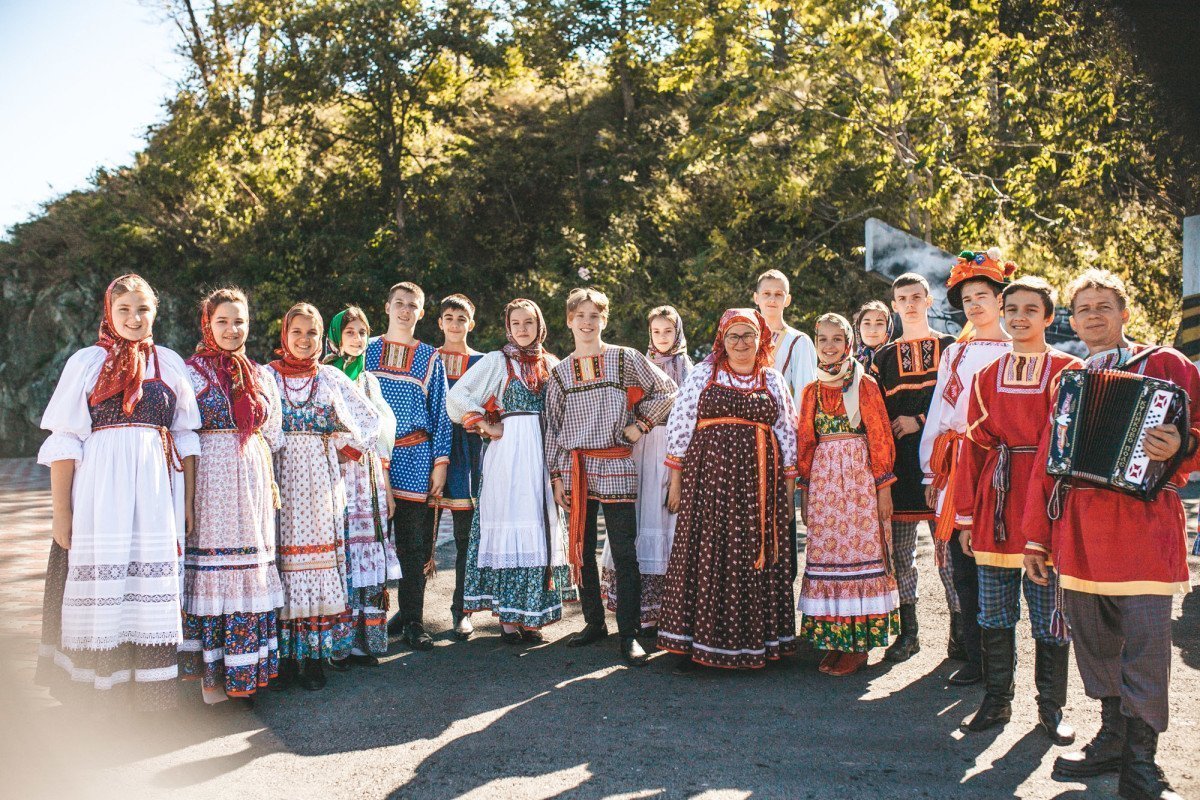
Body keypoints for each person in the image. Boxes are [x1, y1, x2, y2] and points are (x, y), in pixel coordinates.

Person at [1025, 269, 1200, 800]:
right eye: (1084, 309)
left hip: (1144, 525)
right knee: (1094, 638)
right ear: (1072, 321)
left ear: (1125, 312)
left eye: (1104, 306)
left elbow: (1198, 432)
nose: (1094, 316)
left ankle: (1141, 765)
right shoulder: (1067, 378)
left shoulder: (1169, 364)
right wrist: (1036, 537)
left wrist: (1181, 445)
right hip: (1079, 524)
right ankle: (1111, 739)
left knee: (1146, 643)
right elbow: (1046, 461)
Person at [36, 274, 201, 710]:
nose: (133, 318)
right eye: (124, 309)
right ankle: (99, 698)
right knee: (104, 586)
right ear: (108, 312)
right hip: (100, 495)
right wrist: (61, 513)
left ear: (156, 312)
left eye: (142, 309)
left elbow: (185, 436)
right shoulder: (87, 362)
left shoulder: (168, 362)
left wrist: (186, 502)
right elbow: (66, 440)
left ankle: (149, 696)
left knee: (147, 588)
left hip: (155, 493)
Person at [953, 277, 1081, 743]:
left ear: (1049, 317)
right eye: (1012, 309)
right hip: (998, 502)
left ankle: (1051, 708)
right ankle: (996, 700)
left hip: (1047, 502)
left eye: (1032, 309)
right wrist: (965, 515)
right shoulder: (986, 376)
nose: (1019, 317)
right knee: (993, 611)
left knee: (1050, 612)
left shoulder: (1069, 370)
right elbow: (974, 448)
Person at [657, 308, 798, 670]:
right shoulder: (704, 374)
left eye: (748, 335)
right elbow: (681, 425)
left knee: (752, 553)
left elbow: (787, 432)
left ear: (760, 340)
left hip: (760, 487)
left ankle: (755, 642)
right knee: (710, 551)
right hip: (709, 483)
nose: (741, 343)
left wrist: (788, 491)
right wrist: (675, 483)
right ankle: (700, 639)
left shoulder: (772, 379)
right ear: (722, 340)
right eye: (733, 336)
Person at [543, 287, 678, 666]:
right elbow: (552, 430)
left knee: (624, 551)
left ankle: (630, 634)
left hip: (616, 461)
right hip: (577, 467)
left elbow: (668, 391)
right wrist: (556, 476)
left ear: (605, 319)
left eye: (595, 316)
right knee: (581, 551)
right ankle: (593, 623)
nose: (588, 323)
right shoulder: (559, 373)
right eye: (580, 316)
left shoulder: (624, 358)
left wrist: (642, 424)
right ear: (569, 321)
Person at [446, 299, 573, 640]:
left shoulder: (552, 364)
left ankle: (532, 615)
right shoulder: (496, 362)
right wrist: (486, 426)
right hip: (507, 457)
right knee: (509, 525)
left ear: (539, 326)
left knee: (538, 526)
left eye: (528, 322)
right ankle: (507, 619)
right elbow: (457, 398)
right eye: (515, 322)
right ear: (507, 327)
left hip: (542, 452)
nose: (522, 329)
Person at [181, 287, 284, 704]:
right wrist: (186, 498)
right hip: (211, 480)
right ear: (208, 323)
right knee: (215, 574)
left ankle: (243, 676)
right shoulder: (189, 372)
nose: (231, 328)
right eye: (222, 321)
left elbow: (271, 432)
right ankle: (213, 680)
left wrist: (269, 479)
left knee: (249, 572)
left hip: (253, 479)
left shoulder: (259, 375)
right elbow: (182, 434)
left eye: (239, 320)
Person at [269, 303, 378, 691]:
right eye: (297, 331)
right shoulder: (268, 376)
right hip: (280, 479)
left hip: (319, 479)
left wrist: (344, 445)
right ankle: (285, 657)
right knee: (282, 566)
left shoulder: (330, 377)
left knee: (316, 567)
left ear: (321, 338)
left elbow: (369, 420)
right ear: (285, 334)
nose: (304, 339)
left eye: (312, 333)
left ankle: (314, 657)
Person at [919, 249, 1014, 685]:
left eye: (983, 295)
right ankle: (975, 659)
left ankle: (1001, 665)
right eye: (968, 297)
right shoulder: (955, 352)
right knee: (961, 562)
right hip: (955, 464)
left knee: (997, 562)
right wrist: (928, 469)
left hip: (998, 462)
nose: (975, 304)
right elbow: (941, 408)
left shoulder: (1016, 350)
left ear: (1000, 299)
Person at [796, 313, 899, 677]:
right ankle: (836, 642)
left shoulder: (864, 385)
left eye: (836, 339)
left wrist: (883, 487)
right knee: (828, 555)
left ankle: (859, 647)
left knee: (861, 555)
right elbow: (805, 443)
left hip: (858, 480)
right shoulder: (811, 391)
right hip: (825, 483)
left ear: (848, 342)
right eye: (822, 339)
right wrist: (806, 490)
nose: (829, 346)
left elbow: (881, 436)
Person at [870, 273, 958, 664]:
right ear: (894, 305)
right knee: (902, 556)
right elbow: (875, 417)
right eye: (902, 298)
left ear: (929, 301)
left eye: (916, 297)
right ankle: (910, 633)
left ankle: (961, 635)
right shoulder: (883, 357)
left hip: (942, 468)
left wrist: (919, 420)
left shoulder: (951, 347)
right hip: (900, 473)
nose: (909, 303)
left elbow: (959, 404)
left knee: (949, 555)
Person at [364, 282, 452, 651]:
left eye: (412, 305)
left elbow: (442, 414)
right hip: (371, 460)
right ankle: (366, 623)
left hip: (415, 456)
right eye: (398, 303)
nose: (404, 310)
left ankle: (413, 621)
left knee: (413, 546)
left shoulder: (430, 357)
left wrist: (441, 463)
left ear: (420, 313)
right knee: (368, 543)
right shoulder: (365, 351)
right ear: (386, 307)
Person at [601, 305, 693, 631]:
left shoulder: (687, 369)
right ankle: (639, 608)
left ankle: (668, 608)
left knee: (666, 520)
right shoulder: (640, 364)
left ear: (677, 332)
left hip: (670, 449)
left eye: (668, 331)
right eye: (657, 331)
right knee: (638, 518)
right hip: (640, 446)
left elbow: (691, 417)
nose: (663, 337)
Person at [324, 307, 401, 668]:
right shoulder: (324, 374)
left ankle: (363, 642)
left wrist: (385, 486)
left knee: (365, 554)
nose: (356, 338)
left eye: (362, 332)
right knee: (340, 554)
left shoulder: (370, 382)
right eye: (350, 332)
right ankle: (338, 644)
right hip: (335, 471)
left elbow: (381, 439)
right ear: (336, 336)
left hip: (366, 473)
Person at [432, 294, 485, 641]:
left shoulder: (482, 361)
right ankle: (409, 613)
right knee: (422, 536)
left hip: (468, 448)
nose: (455, 324)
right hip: (432, 448)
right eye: (449, 317)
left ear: (471, 323)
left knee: (466, 536)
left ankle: (460, 609)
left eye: (461, 318)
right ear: (439, 322)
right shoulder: (429, 357)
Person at [752, 269, 817, 400]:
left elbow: (805, 392)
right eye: (766, 293)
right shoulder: (744, 338)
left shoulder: (799, 341)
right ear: (756, 298)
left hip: (783, 418)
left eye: (778, 294)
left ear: (787, 300)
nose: (772, 299)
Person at [853, 300, 894, 371]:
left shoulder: (896, 359)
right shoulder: (848, 365)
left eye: (879, 324)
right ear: (858, 327)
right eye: (867, 323)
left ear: (888, 328)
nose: (872, 330)